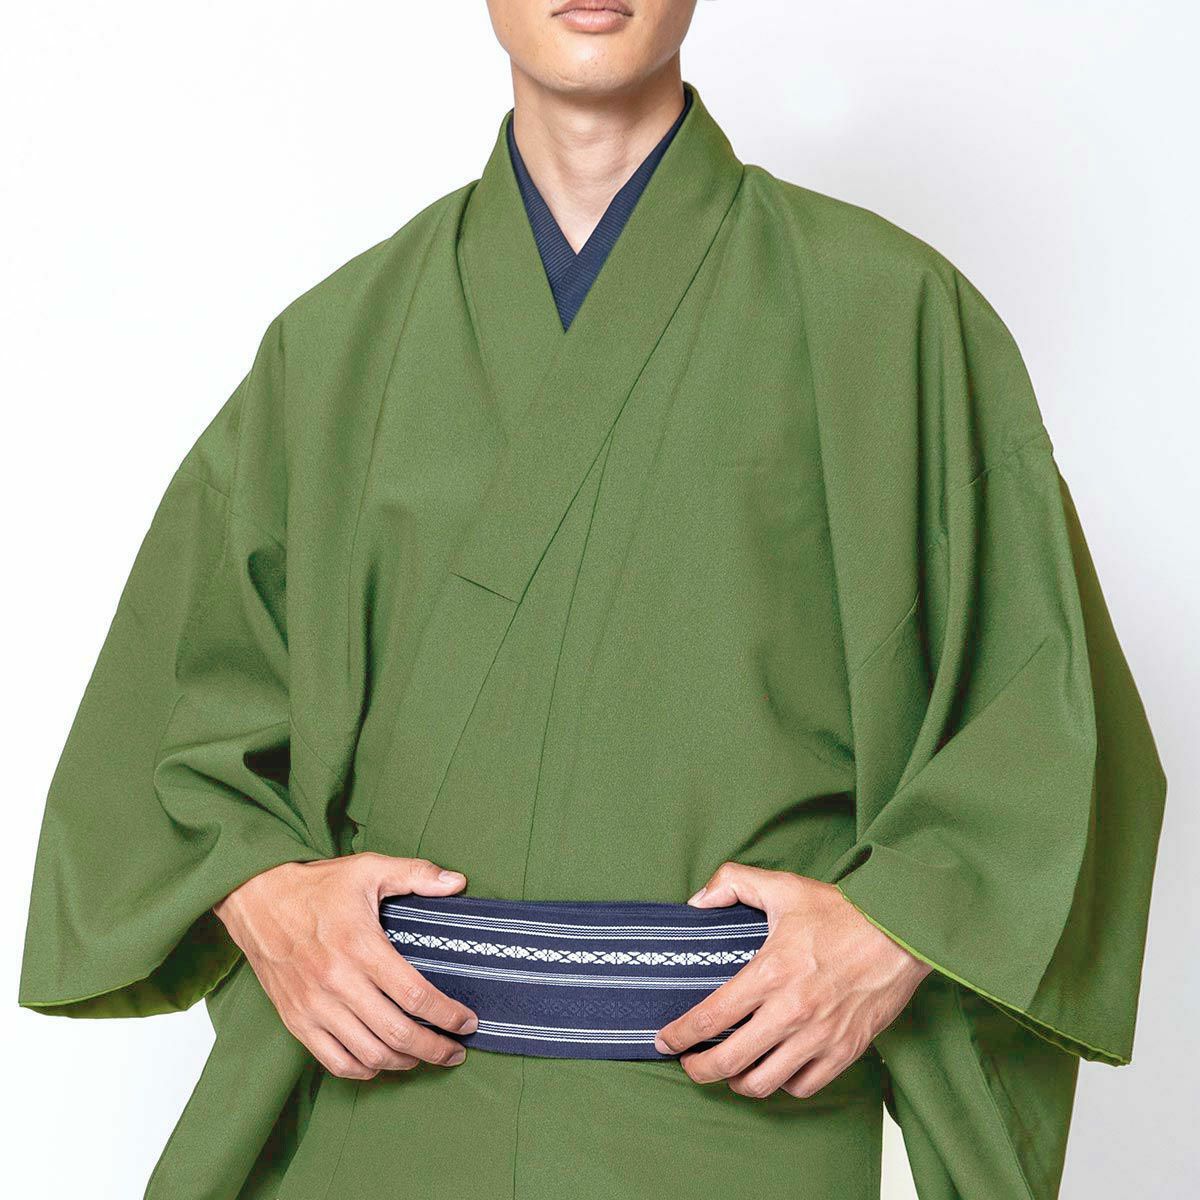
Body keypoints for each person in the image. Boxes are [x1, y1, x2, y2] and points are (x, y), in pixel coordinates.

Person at [19, 2, 1167, 1198]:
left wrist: (894, 932)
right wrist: (265, 895)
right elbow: (162, 734)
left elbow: (1051, 723)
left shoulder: (890, 315)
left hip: (738, 1123)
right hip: (383, 1122)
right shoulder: (335, 346)